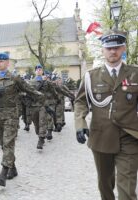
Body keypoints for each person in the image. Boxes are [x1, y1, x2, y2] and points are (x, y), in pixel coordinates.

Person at [74, 30, 138, 200]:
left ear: (123, 48)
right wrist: (80, 123)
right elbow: (81, 101)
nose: (113, 51)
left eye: (117, 47)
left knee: (127, 189)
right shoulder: (91, 76)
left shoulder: (135, 73)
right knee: (105, 184)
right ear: (102, 50)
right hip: (101, 137)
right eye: (109, 47)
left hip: (130, 136)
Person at [0, 52, 44, 187]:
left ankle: (3, 174)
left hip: (11, 115)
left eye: (2, 61)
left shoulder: (15, 78)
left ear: (8, 63)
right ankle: (13, 168)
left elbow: (30, 90)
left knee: (8, 142)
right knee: (4, 144)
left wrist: (41, 99)